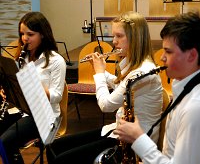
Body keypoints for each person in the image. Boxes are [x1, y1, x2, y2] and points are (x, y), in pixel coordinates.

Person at [46, 11, 163, 164]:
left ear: (135, 39)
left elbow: (106, 105)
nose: (114, 41)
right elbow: (120, 85)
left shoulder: (143, 72)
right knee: (53, 147)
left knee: (62, 159)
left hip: (132, 145)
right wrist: (100, 70)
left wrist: (100, 73)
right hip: (118, 131)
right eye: (114, 36)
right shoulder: (136, 65)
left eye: (119, 36)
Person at [113, 11, 200, 164]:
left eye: (168, 51)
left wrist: (138, 139)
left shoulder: (197, 107)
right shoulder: (185, 85)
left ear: (192, 55)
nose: (161, 58)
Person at [0, 11, 66, 164]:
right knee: (6, 141)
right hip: (25, 110)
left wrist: (37, 87)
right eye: (22, 34)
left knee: (5, 141)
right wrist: (9, 89)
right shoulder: (24, 57)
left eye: (30, 34)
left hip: (46, 116)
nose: (24, 38)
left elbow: (57, 96)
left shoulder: (56, 61)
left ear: (42, 34)